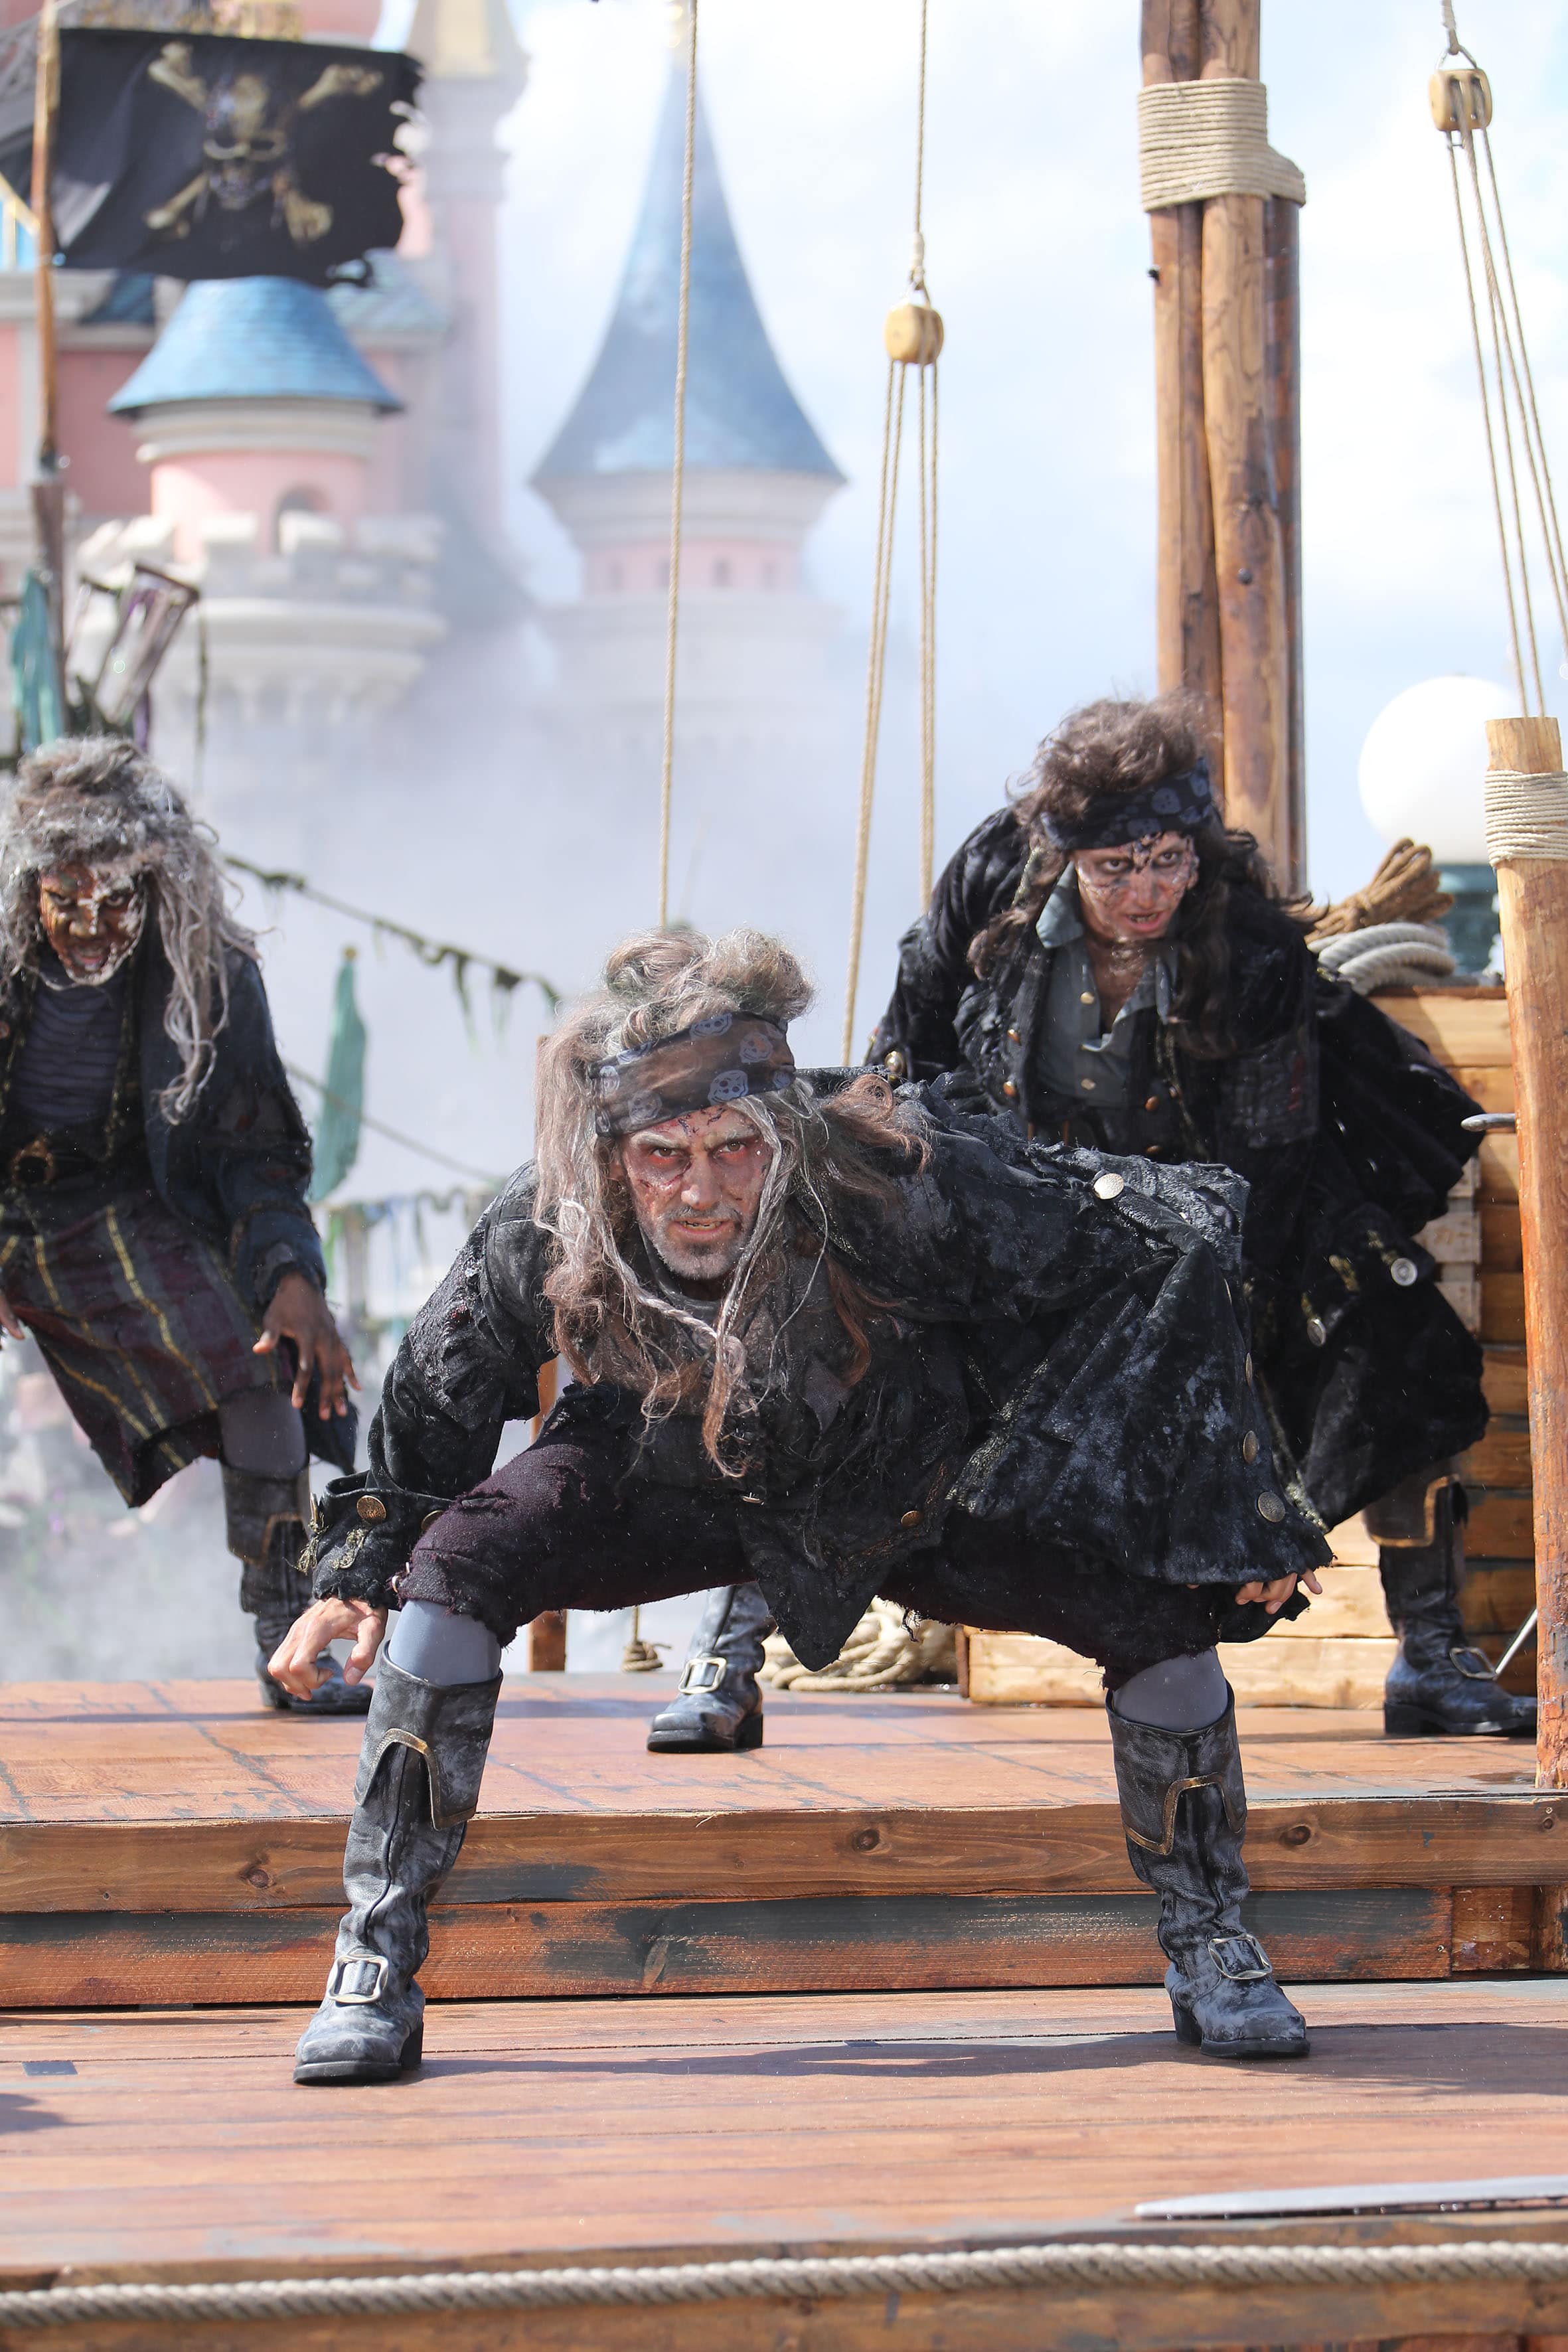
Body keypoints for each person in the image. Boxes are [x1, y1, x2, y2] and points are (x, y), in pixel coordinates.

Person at [275, 925, 1329, 2085]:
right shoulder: (551, 1216)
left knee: (1159, 1623)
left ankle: (1210, 1940)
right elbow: (438, 1391)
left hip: (905, 1472)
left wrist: (1234, 1508)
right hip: (656, 1465)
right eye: (663, 1156)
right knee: (453, 1574)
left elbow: (1168, 1237)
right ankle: (373, 1955)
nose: (700, 1193)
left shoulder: (902, 1177)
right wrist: (358, 1578)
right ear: (613, 1152)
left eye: (735, 1149)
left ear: (782, 1131)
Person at [868, 692, 1518, 1739]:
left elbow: (1269, 1168)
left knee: (1393, 1338)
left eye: (1168, 860)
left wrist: (1216, 1361)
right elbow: (912, 1047)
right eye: (1114, 868)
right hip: (1030, 1220)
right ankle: (735, 1647)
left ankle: (1430, 1651)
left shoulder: (1246, 944)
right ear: (1064, 856)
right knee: (852, 1346)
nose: (1146, 891)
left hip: (1220, 1220)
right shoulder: (992, 881)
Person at [0, 737, 360, 1710]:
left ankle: (290, 1638)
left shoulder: (209, 974)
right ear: (31, 888)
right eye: (65, 901)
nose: (89, 929)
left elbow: (257, 1151)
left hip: (117, 1212)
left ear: (155, 882)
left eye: (113, 901)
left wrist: (292, 1278)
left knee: (267, 1363)